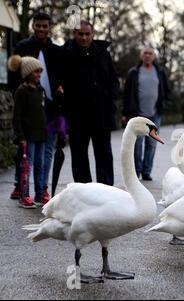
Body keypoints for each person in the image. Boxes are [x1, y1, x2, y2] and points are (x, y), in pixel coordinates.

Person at [9, 12, 64, 201]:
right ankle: (19, 185)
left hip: (50, 108)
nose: (41, 29)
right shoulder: (23, 47)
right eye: (38, 25)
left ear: (49, 28)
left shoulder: (56, 51)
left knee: (46, 150)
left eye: (44, 26)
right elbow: (14, 75)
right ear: (33, 26)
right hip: (29, 107)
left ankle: (42, 187)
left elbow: (61, 76)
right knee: (24, 150)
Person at [62, 20, 119, 186]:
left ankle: (106, 190)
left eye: (87, 34)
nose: (84, 37)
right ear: (74, 34)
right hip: (77, 115)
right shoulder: (66, 53)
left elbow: (113, 78)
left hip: (101, 114)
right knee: (79, 156)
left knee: (104, 155)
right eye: (81, 34)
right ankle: (84, 191)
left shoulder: (102, 53)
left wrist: (110, 94)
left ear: (92, 34)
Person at [8, 56, 61, 207]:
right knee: (26, 165)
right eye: (36, 72)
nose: (39, 75)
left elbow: (47, 108)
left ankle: (39, 193)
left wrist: (58, 96)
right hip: (27, 137)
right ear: (27, 73)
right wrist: (20, 136)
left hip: (41, 135)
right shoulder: (22, 91)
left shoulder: (40, 90)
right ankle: (24, 195)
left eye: (40, 72)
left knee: (40, 164)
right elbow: (17, 116)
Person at [122, 45, 171, 180]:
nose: (147, 56)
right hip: (137, 113)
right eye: (145, 53)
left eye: (150, 53)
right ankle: (137, 171)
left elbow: (167, 90)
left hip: (155, 113)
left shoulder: (160, 72)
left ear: (154, 56)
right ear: (141, 55)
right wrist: (125, 113)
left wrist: (164, 104)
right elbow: (127, 94)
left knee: (152, 143)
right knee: (137, 142)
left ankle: (146, 171)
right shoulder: (134, 72)